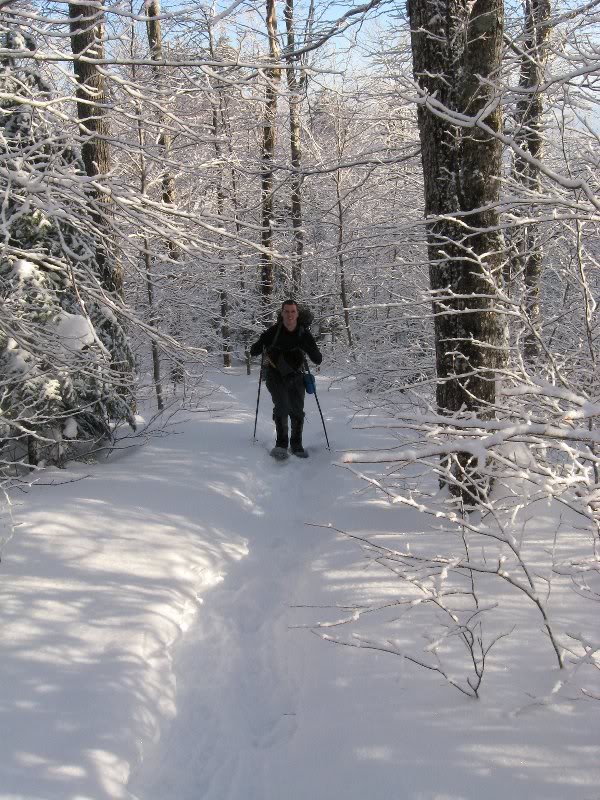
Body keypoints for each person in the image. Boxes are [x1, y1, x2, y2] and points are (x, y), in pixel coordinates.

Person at [250, 299, 322, 458]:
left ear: (297, 314)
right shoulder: (273, 332)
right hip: (275, 375)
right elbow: (254, 351)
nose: (290, 315)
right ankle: (281, 445)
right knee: (282, 406)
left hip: (297, 376)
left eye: (293, 311)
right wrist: (260, 345)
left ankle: (296, 445)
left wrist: (307, 347)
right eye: (287, 311)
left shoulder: (304, 334)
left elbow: (318, 359)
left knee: (297, 410)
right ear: (282, 313)